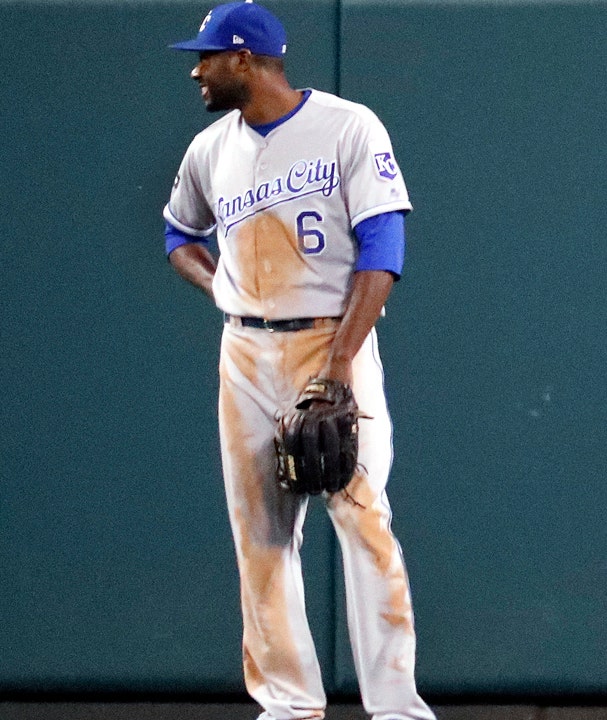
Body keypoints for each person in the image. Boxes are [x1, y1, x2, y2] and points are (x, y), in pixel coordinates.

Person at [162, 3, 434, 719]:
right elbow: (176, 232)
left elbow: (384, 252)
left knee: (363, 517)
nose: (196, 70)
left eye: (208, 56)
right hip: (245, 349)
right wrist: (216, 280)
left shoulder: (347, 127)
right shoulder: (210, 149)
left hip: (330, 337)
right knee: (260, 534)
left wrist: (339, 364)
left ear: (245, 59)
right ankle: (287, 705)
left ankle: (397, 706)